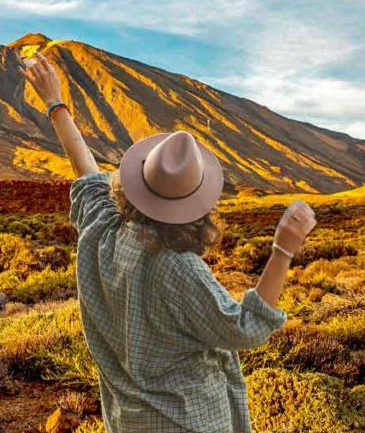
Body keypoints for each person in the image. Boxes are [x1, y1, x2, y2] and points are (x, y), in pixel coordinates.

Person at [19, 53, 317, 433]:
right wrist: (284, 248)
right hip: (189, 422)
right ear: (197, 206)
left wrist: (54, 102)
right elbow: (245, 328)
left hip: (127, 421)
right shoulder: (179, 268)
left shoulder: (102, 228)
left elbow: (86, 173)